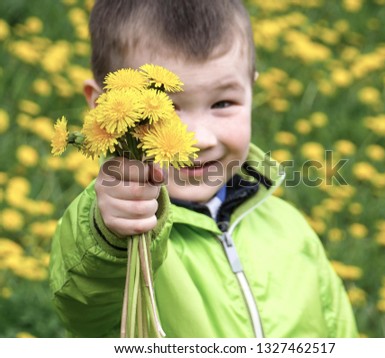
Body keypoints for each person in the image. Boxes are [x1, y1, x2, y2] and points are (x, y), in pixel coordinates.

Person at [49, 0, 358, 338]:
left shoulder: (291, 230)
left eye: (223, 103)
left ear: (252, 90)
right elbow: (86, 306)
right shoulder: (122, 239)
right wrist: (109, 233)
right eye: (168, 109)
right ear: (103, 105)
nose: (200, 138)